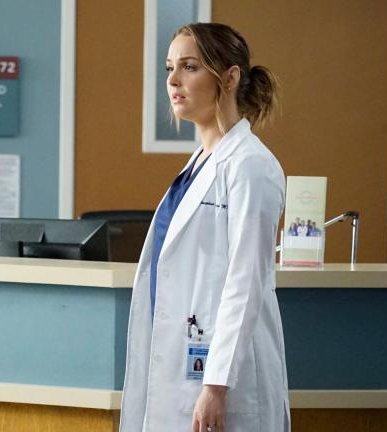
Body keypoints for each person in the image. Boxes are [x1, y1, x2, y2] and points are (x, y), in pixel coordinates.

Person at [120, 23, 289, 432]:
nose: (172, 80)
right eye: (170, 68)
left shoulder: (251, 166)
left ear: (229, 78)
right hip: (185, 363)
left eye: (189, 67)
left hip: (224, 382)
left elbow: (246, 282)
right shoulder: (200, 163)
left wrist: (216, 384)